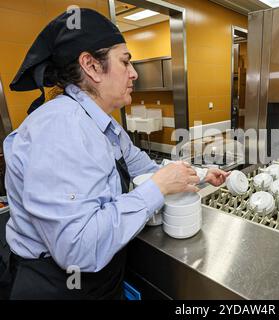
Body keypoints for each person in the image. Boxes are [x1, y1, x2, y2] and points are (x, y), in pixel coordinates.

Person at [1, 8, 229, 299]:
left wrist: (200, 175)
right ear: (92, 66)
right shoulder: (61, 128)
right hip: (58, 287)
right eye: (125, 62)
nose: (134, 73)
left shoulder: (104, 126)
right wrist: (158, 188)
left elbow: (144, 167)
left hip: (102, 280)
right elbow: (77, 249)